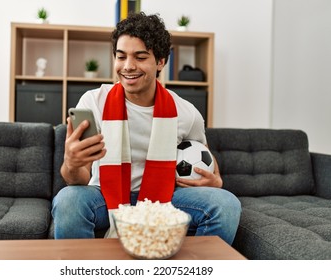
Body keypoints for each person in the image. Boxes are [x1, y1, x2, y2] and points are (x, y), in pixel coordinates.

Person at [51, 12, 241, 245]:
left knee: (227, 204)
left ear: (160, 61)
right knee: (68, 200)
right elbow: (76, 179)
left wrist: (217, 182)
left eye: (140, 57)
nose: (128, 67)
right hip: (104, 196)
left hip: (165, 198)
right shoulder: (93, 102)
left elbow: (207, 159)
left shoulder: (186, 112)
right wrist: (71, 163)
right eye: (121, 57)